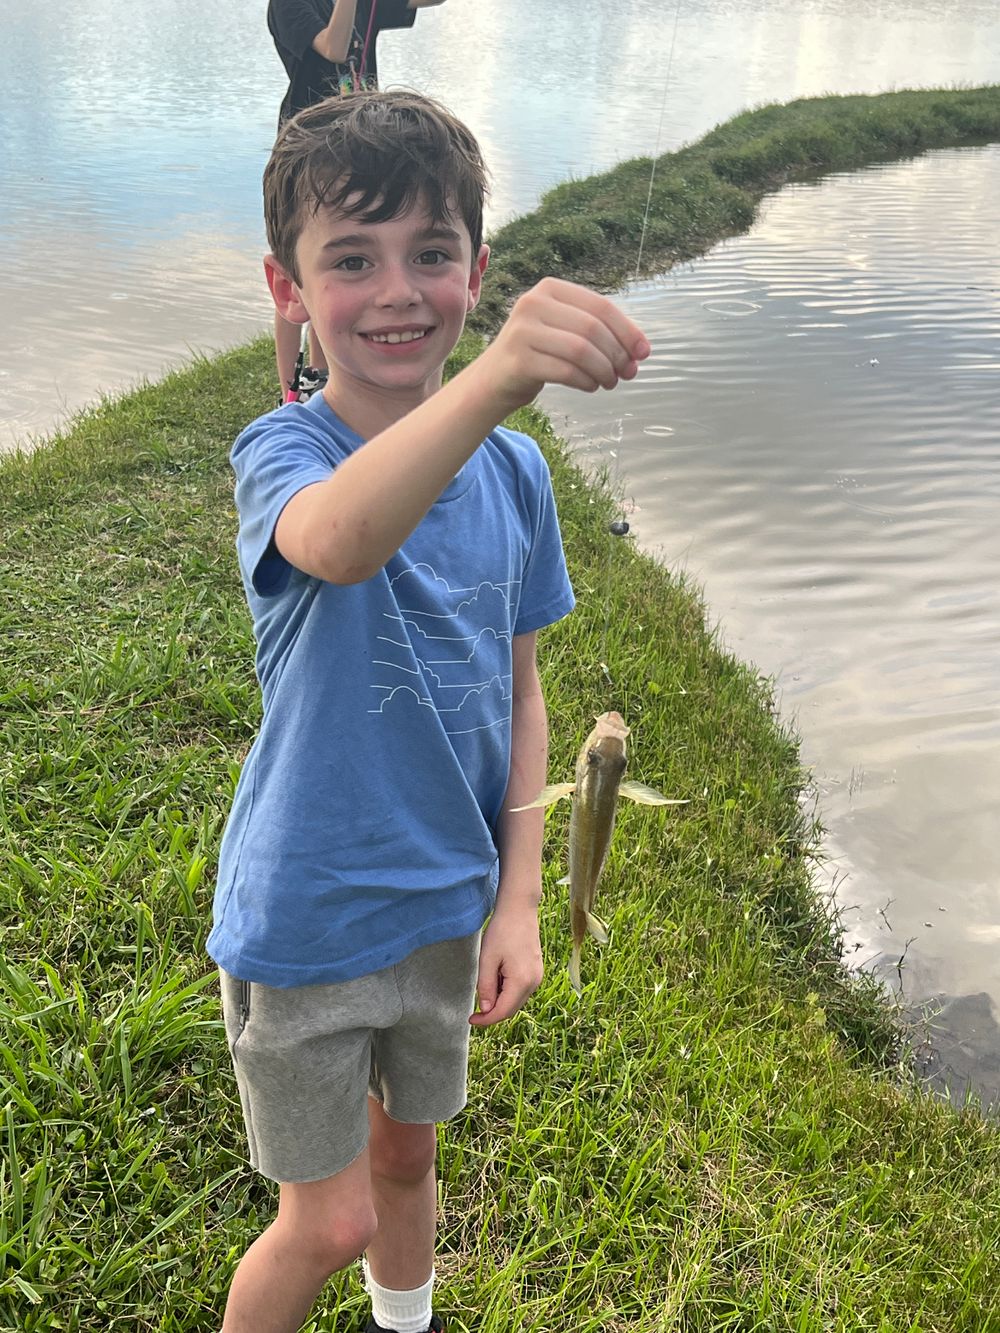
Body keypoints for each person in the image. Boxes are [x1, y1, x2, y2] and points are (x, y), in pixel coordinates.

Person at [208, 90, 650, 1333]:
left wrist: (519, 897)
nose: (397, 290)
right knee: (329, 1218)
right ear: (288, 291)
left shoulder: (514, 473)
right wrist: (500, 373)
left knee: (406, 1163)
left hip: (446, 908)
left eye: (430, 253)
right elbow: (342, 541)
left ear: (477, 267)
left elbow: (520, 689)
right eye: (351, 259)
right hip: (308, 915)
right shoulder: (280, 455)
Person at [267, 0, 448, 398]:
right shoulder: (289, 4)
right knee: (298, 267)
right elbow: (332, 48)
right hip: (305, 151)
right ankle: (289, 394)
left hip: (359, 147)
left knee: (341, 263)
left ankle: (320, 373)